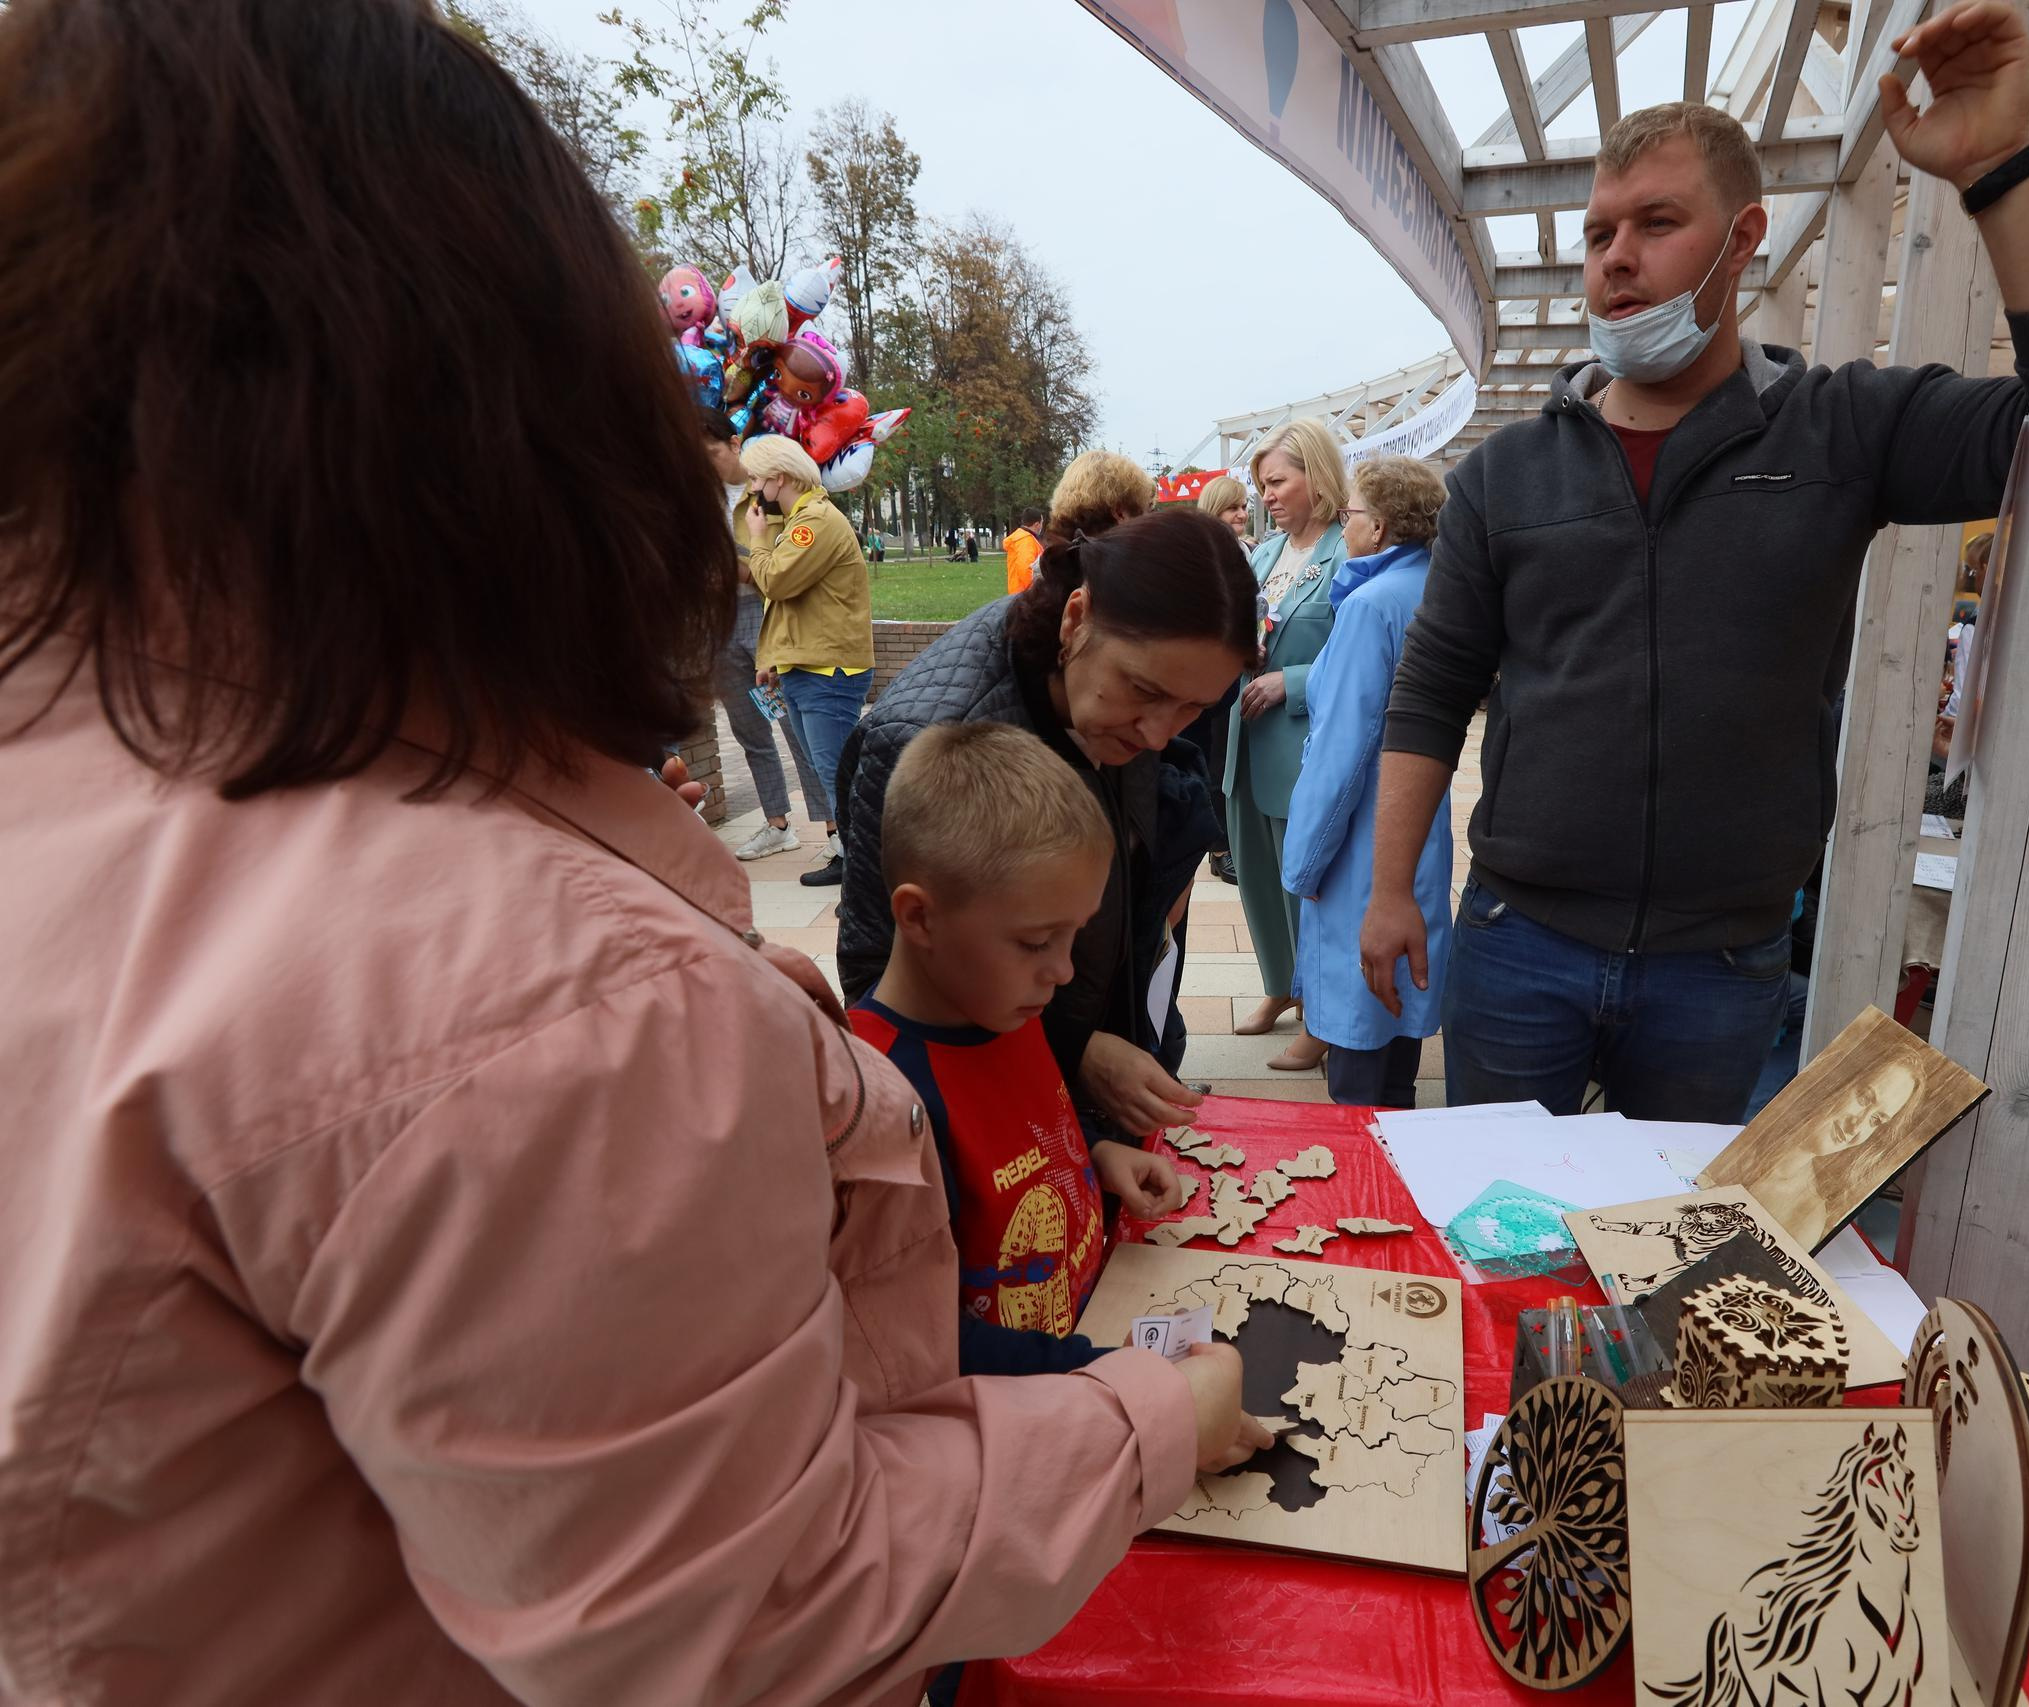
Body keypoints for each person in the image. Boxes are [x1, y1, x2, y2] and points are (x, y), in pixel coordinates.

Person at [0, 3, 1268, 1701]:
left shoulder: (98, 791)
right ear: (535, 400)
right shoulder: (539, 989)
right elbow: (750, 1605)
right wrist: (1143, 1419)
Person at [1362, 3, 2029, 1120]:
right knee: (1500, 1210)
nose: (1617, 258)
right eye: (1599, 234)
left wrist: (2002, 172)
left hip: (1720, 963)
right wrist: (1392, 887)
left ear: (1743, 239)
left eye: (1657, 223)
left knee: (1672, 1222)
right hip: (1519, 939)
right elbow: (1432, 691)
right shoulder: (1506, 477)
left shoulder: (1839, 430)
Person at [837, 507, 1257, 1150]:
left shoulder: (1115, 684)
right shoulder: (924, 738)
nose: (1157, 734)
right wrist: (1076, 1051)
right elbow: (880, 976)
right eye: (1143, 691)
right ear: (1076, 618)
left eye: (1193, 708)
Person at [850, 723, 1195, 1376]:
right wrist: (1115, 1375)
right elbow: (924, 1337)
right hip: (1034, 1396)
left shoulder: (1002, 1004)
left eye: (1074, 936)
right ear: (919, 917)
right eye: (1037, 942)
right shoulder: (882, 1100)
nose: (1063, 971)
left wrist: (1097, 1155)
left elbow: (1027, 1129)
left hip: (1084, 1340)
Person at [1282, 456, 1454, 1110]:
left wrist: (1302, 864)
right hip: (1420, 832)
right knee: (1398, 1027)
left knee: (1356, 1034)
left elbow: (1342, 753)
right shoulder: (1433, 588)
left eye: (1350, 512)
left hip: (1359, 842)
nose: (1343, 523)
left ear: (1378, 527)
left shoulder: (1370, 604)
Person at [1231, 418, 1349, 1070]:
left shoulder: (1346, 551)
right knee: (1255, 872)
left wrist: (1292, 681)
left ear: (1317, 476)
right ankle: (1280, 983)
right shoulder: (1265, 552)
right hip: (1246, 739)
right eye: (1262, 486)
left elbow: (1360, 652)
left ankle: (1319, 1010)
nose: (1267, 496)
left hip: (1302, 744)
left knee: (1304, 882)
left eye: (1277, 481)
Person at [742, 434, 874, 889]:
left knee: (838, 774)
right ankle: (850, 857)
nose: (753, 488)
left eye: (756, 478)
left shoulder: (814, 521)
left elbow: (776, 582)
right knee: (829, 772)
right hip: (807, 665)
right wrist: (774, 659)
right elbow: (790, 603)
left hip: (828, 670)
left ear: (779, 477)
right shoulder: (802, 519)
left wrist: (758, 540)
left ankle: (865, 876)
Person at [703, 410, 833, 859]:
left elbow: (784, 565)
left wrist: (736, 566)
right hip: (721, 621)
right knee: (748, 729)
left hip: (768, 615)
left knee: (797, 726)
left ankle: (835, 827)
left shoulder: (770, 490)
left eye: (711, 453)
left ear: (734, 443)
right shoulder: (696, 497)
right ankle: (777, 824)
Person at [1184, 474, 1253, 882]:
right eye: (1232, 507)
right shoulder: (1200, 553)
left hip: (1235, 671)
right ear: (1214, 510)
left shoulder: (1246, 551)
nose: (1242, 513)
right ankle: (1219, 847)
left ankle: (1228, 841)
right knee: (1210, 759)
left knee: (1226, 758)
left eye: (1244, 506)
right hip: (1206, 674)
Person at [1046, 449, 1154, 550]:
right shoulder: (1123, 561)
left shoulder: (1050, 558)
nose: (1148, 525)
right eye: (1145, 514)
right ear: (1120, 514)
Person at [1005, 505, 1046, 596]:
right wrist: (1036, 590)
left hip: (1020, 593)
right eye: (1042, 522)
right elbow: (1026, 569)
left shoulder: (1023, 539)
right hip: (1025, 594)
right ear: (1037, 524)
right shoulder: (1026, 541)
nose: (1042, 526)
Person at [1198, 472, 1253, 542]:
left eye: (1244, 507)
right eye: (1233, 508)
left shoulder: (1254, 548)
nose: (1242, 515)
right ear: (1212, 511)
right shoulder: (1192, 548)